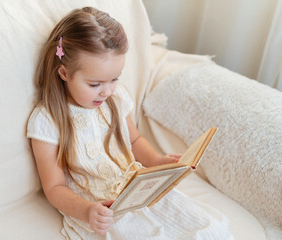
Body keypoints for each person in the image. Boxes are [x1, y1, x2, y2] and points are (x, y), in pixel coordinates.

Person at [27, 7, 233, 240]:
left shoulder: (116, 98)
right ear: (64, 73)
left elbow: (134, 140)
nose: (106, 91)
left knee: (209, 229)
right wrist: (87, 211)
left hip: (138, 188)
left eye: (114, 79)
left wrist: (158, 162)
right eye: (95, 84)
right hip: (100, 208)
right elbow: (54, 188)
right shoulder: (47, 121)